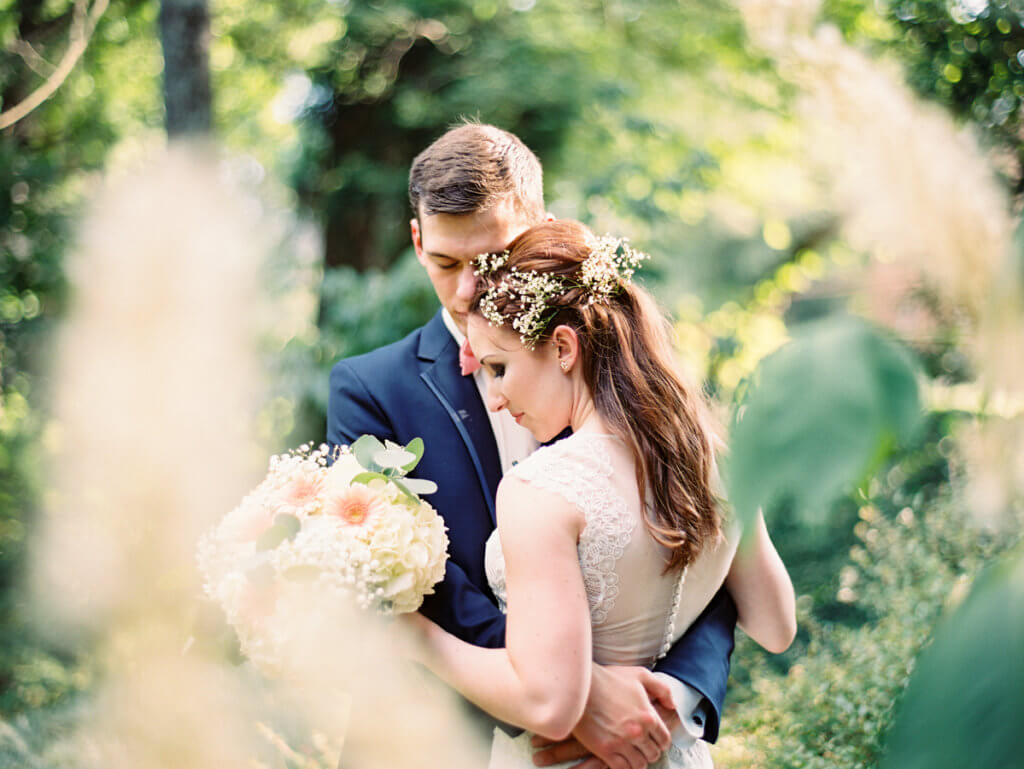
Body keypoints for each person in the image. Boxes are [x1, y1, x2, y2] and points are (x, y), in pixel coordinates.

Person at [327, 123, 739, 769]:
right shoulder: (369, 387)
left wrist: (675, 697)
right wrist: (578, 692)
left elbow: (708, 542)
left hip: (647, 738)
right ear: (417, 240)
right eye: (444, 262)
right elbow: (392, 575)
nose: (466, 291)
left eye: (490, 259)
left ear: (539, 229)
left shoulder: (631, 371)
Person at [400, 219, 796, 768]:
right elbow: (777, 625)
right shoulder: (717, 457)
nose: (493, 396)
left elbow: (549, 703)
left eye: (499, 368)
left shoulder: (541, 488)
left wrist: (413, 636)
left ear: (564, 346)